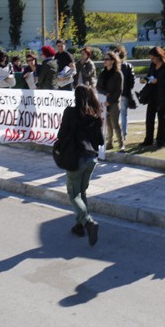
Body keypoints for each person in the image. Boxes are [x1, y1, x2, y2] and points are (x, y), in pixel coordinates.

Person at [56, 84, 104, 246]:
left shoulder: (70, 112)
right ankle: (80, 225)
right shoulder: (95, 115)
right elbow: (101, 140)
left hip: (76, 159)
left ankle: (88, 222)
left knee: (73, 194)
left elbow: (61, 135)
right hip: (91, 159)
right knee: (81, 192)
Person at [141, 46, 165, 148]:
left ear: (158, 56)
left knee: (161, 119)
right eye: (151, 58)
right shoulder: (152, 65)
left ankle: (160, 141)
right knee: (149, 119)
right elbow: (149, 76)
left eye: (153, 58)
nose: (152, 60)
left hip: (162, 96)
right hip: (152, 95)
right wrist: (144, 79)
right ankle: (148, 140)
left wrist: (158, 81)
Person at [97, 51, 124, 151]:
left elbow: (119, 91)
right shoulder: (102, 73)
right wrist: (105, 93)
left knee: (115, 124)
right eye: (104, 59)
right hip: (104, 102)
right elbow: (98, 87)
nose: (104, 61)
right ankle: (109, 142)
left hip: (114, 103)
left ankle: (121, 143)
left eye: (107, 59)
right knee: (108, 125)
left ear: (112, 61)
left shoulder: (118, 74)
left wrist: (110, 101)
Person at [117, 45, 135, 139]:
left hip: (116, 93)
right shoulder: (128, 66)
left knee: (115, 115)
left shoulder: (115, 67)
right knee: (124, 114)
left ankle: (117, 134)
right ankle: (124, 134)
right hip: (125, 92)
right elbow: (132, 81)